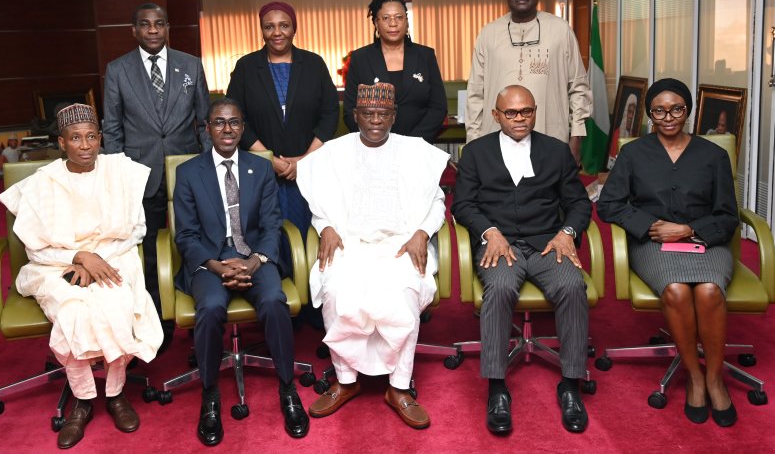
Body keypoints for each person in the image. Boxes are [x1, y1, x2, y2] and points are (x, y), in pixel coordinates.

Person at [0, 103, 163, 449]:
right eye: (76, 138)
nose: (85, 145)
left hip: (113, 259)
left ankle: (115, 394)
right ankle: (83, 400)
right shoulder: (45, 182)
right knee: (73, 311)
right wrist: (80, 257)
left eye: (91, 137)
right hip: (56, 266)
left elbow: (137, 231)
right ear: (61, 143)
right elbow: (36, 250)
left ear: (100, 138)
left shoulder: (120, 171)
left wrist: (98, 260)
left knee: (116, 304)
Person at [297, 83, 449, 429]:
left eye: (383, 114)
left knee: (406, 291)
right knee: (335, 290)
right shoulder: (334, 152)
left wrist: (422, 233)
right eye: (368, 114)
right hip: (350, 244)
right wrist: (326, 228)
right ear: (355, 116)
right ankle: (345, 381)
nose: (375, 121)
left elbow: (437, 203)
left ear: (393, 116)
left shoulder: (415, 151)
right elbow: (319, 203)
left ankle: (399, 388)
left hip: (399, 245)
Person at [598, 78, 740, 428]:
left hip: (705, 242)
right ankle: (694, 375)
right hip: (654, 243)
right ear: (649, 115)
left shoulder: (714, 155)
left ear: (688, 111)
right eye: (659, 111)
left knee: (708, 290)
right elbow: (609, 204)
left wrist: (689, 230)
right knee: (676, 290)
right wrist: (650, 224)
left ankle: (715, 378)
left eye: (676, 109)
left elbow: (727, 215)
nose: (668, 117)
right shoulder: (633, 153)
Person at [452, 84, 593, 435]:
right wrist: (489, 232)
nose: (520, 119)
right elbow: (463, 204)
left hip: (548, 243)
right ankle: (497, 387)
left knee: (573, 285)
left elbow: (578, 203)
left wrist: (568, 234)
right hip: (499, 244)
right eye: (511, 113)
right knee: (499, 288)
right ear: (496, 115)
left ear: (535, 112)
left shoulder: (557, 151)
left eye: (526, 111)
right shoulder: (475, 153)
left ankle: (571, 384)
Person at [173, 98, 310, 446]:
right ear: (207, 129)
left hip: (254, 258)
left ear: (242, 128)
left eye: (234, 122)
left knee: (273, 299)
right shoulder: (188, 172)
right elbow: (186, 234)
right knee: (211, 307)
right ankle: (210, 395)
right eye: (219, 123)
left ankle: (287, 387)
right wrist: (219, 266)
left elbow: (271, 224)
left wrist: (254, 261)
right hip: (210, 261)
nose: (227, 129)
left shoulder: (260, 167)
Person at [103, 2, 211, 353]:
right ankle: (157, 320)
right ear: (134, 30)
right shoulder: (117, 70)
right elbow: (112, 128)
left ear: (168, 28)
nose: (153, 30)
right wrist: (119, 176)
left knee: (193, 244)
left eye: (159, 24)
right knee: (147, 253)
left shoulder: (190, 65)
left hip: (186, 169)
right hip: (139, 174)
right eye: (145, 25)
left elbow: (205, 121)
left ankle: (198, 315)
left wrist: (208, 166)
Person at [225, 1, 338, 237]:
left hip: (309, 169)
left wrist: (305, 161)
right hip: (258, 169)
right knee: (266, 235)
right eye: (269, 27)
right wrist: (270, 160)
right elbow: (235, 119)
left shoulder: (314, 63)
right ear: (262, 30)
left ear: (294, 28)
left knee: (307, 234)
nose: (277, 33)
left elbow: (330, 114)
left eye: (284, 25)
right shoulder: (246, 67)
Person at [466, 0, 591, 164]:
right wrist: (473, 141)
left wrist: (576, 137)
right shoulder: (489, 33)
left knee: (548, 194)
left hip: (550, 137)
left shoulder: (561, 30)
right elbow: (475, 94)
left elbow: (579, 88)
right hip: (496, 140)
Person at [342, 0, 448, 143]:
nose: (393, 23)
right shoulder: (360, 58)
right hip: (374, 147)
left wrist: (413, 142)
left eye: (399, 17)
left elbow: (438, 107)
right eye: (386, 18)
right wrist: (375, 139)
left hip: (418, 146)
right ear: (376, 23)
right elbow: (350, 110)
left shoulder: (425, 55)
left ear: (407, 22)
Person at [607, 93, 638, 169]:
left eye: (633, 113)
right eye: (629, 112)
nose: (630, 116)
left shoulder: (636, 136)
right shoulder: (616, 134)